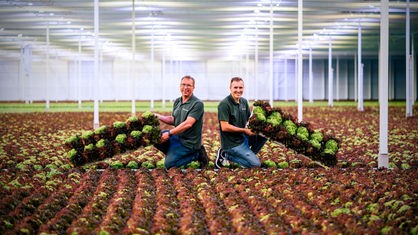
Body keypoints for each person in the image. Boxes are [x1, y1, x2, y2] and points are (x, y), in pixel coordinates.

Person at [154, 75, 208, 169]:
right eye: (183, 85)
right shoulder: (178, 101)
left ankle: (197, 154)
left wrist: (170, 133)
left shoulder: (197, 104)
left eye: (189, 85)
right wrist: (158, 116)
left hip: (189, 143)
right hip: (178, 137)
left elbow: (188, 124)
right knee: (155, 137)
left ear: (193, 87)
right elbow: (174, 119)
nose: (185, 88)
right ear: (180, 86)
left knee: (169, 165)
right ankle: (174, 154)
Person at [216, 76, 267, 168]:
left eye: (241, 87)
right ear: (230, 88)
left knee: (264, 136)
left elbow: (249, 120)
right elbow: (224, 127)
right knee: (255, 165)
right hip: (232, 143)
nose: (238, 90)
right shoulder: (224, 104)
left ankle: (248, 155)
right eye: (235, 87)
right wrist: (244, 130)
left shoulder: (244, 102)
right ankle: (226, 154)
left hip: (243, 138)